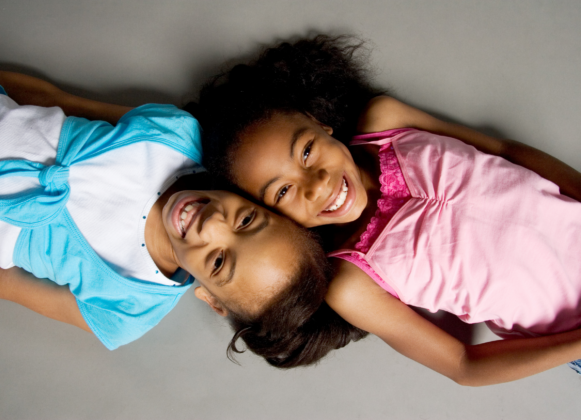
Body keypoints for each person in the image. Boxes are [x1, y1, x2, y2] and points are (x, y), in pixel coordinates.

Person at [195, 35, 581, 385]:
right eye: (282, 192)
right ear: (275, 218)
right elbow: (464, 364)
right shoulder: (353, 282)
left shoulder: (387, 121)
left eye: (307, 151)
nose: (316, 184)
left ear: (319, 123)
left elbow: (504, 152)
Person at [0, 57, 332, 352]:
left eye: (219, 261)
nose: (212, 224)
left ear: (212, 300)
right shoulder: (178, 138)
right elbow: (53, 99)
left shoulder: (130, 307)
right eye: (247, 219)